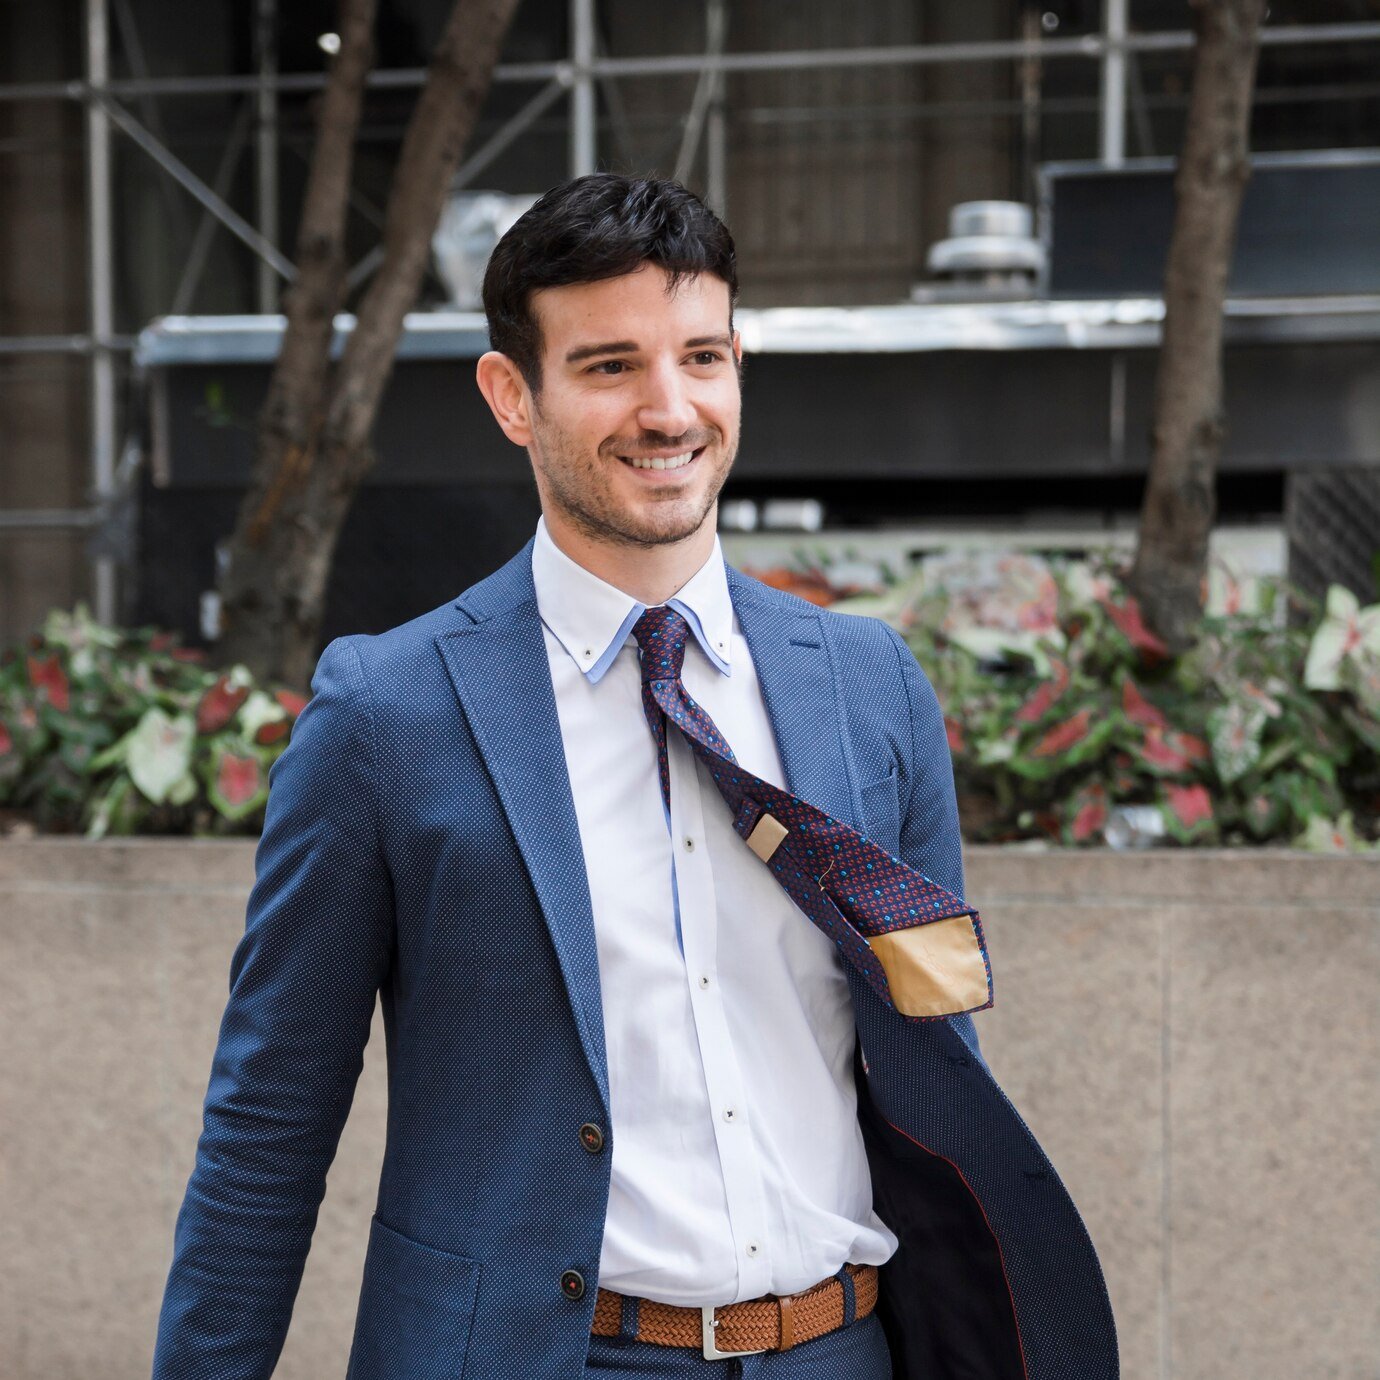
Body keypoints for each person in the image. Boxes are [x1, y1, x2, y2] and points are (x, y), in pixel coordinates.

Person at [152, 174, 1117, 1380]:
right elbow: (268, 1126)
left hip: (843, 1350)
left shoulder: (869, 685)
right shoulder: (384, 716)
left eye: (701, 356)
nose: (671, 410)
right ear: (514, 396)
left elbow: (937, 1061)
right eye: (610, 366)